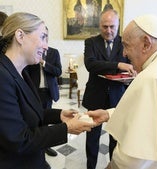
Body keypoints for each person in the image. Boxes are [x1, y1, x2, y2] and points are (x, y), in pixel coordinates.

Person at [0, 12, 95, 169]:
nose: (46, 46)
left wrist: (59, 115)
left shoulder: (21, 71)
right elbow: (18, 140)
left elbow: (29, 112)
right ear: (20, 36)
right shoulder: (3, 77)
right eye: (43, 37)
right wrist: (67, 128)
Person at [87, 14, 157, 169]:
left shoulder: (151, 78)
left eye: (126, 45)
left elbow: (133, 158)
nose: (124, 53)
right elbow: (149, 113)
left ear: (146, 44)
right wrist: (109, 114)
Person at [82, 9, 136, 169]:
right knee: (92, 139)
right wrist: (118, 65)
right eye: (104, 26)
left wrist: (130, 77)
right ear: (99, 25)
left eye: (112, 26)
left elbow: (133, 66)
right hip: (95, 96)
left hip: (118, 97)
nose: (108, 30)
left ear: (118, 25)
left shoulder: (124, 42)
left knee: (115, 138)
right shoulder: (91, 42)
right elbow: (90, 64)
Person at [26, 46, 62, 157]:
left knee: (46, 118)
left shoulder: (54, 52)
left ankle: (46, 146)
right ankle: (34, 145)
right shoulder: (31, 50)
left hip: (48, 92)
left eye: (45, 36)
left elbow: (58, 71)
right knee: (33, 118)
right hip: (33, 91)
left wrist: (44, 62)